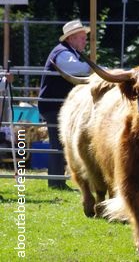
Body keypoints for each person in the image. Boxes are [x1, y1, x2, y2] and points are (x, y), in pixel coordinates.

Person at [38, 19, 91, 190]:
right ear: (71, 38)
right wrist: (95, 68)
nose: (85, 41)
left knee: (60, 143)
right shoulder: (63, 53)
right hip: (53, 105)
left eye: (85, 38)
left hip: (58, 106)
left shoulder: (70, 52)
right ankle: (55, 181)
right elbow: (77, 69)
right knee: (57, 143)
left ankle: (57, 180)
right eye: (82, 38)